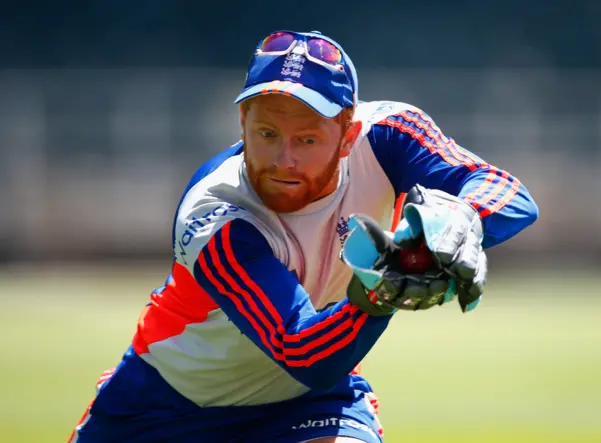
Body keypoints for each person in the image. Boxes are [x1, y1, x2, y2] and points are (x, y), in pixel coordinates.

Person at [68, 30, 538, 443]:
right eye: (267, 133)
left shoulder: (390, 135)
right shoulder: (215, 214)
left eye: (307, 139)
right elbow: (302, 349)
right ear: (242, 124)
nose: (283, 159)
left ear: (349, 136)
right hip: (161, 408)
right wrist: (379, 291)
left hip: (309, 404)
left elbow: (509, 194)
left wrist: (461, 218)